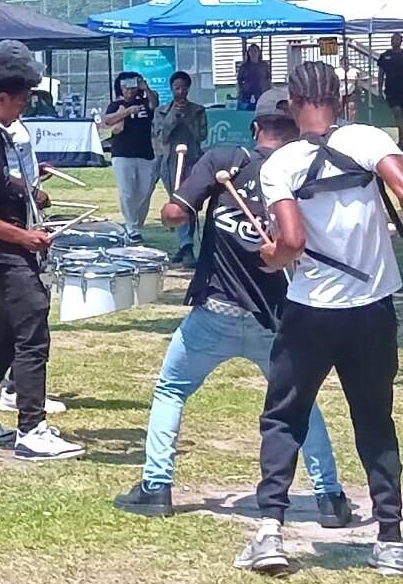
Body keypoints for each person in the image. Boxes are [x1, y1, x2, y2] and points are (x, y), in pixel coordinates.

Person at [114, 89, 349, 523]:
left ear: (256, 127)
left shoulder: (226, 159)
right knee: (300, 403)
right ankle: (330, 496)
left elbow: (172, 216)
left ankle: (157, 486)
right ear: (295, 129)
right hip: (277, 318)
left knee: (171, 390)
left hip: (216, 312)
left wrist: (178, 203)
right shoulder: (305, 170)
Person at [238, 61, 403, 576]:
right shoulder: (368, 138)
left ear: (292, 104)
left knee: (285, 417)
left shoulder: (280, 164)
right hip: (373, 307)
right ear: (341, 98)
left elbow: (292, 243)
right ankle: (392, 539)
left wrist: (271, 259)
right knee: (375, 421)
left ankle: (269, 532)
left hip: (311, 311)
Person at [0, 41, 83, 461]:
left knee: (8, 328)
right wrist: (25, 237)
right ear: (0, 97)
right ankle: (31, 429)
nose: (24, 107)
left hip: (1, 243)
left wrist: (26, 189)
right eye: (21, 100)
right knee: (31, 326)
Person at [152, 71, 208, 263]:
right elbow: (163, 136)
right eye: (177, 88)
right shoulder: (162, 111)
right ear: (171, 89)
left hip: (192, 160)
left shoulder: (198, 110)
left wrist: (187, 117)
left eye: (184, 87)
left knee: (188, 203)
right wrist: (175, 116)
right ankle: (183, 244)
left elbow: (201, 136)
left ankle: (187, 246)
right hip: (169, 162)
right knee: (176, 202)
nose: (181, 91)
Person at [103, 72, 157, 243]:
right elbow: (108, 121)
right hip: (122, 153)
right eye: (125, 86)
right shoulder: (116, 105)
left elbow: (155, 105)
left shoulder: (144, 101)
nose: (129, 90)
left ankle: (136, 224)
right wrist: (126, 112)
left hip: (146, 153)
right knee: (127, 193)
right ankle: (131, 227)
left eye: (133, 85)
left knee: (145, 191)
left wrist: (145, 88)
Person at [379, 33, 403, 142]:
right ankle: (398, 138)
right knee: (396, 112)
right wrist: (379, 89)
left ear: (401, 41)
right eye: (393, 39)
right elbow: (381, 73)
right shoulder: (385, 56)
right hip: (391, 90)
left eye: (397, 39)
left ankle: (401, 138)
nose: (394, 41)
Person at [236, 43, 271, 111]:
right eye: (251, 51)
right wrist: (240, 92)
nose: (253, 53)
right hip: (247, 96)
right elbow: (239, 81)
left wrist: (268, 92)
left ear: (259, 53)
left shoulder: (264, 66)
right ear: (248, 53)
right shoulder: (244, 66)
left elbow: (268, 79)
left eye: (255, 51)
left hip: (261, 95)